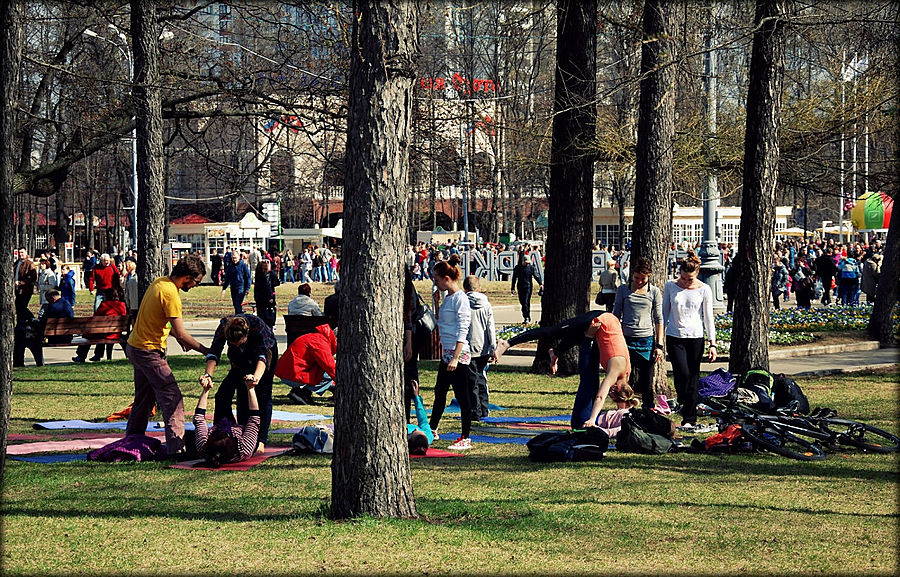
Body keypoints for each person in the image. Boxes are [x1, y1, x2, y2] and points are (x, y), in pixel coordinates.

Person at [125, 255, 210, 457]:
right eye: (196, 282)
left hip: (135, 347)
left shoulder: (160, 282)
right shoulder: (171, 294)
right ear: (187, 277)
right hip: (149, 352)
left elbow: (159, 320)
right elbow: (180, 332)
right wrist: (206, 350)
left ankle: (131, 441)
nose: (195, 286)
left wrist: (176, 337)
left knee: (144, 400)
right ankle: (177, 449)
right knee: (173, 399)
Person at [494, 311, 632, 430]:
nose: (610, 391)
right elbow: (600, 397)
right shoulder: (614, 371)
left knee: (578, 336)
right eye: (612, 392)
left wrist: (624, 412)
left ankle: (556, 353)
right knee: (552, 332)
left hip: (610, 322)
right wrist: (592, 419)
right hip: (600, 319)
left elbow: (624, 397)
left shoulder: (626, 373)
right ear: (617, 386)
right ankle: (507, 343)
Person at [202, 314, 277, 455]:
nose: (235, 345)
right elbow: (214, 353)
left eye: (239, 343)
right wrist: (208, 375)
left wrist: (255, 378)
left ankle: (260, 440)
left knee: (262, 395)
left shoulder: (258, 327)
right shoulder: (224, 326)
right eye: (232, 344)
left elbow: (262, 357)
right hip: (239, 358)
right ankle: (226, 433)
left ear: (246, 335)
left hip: (267, 352)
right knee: (223, 395)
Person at [662, 251, 717, 431]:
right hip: (674, 335)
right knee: (681, 374)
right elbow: (663, 313)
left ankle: (689, 417)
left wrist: (712, 343)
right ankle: (683, 399)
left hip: (695, 337)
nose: (686, 282)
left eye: (690, 279)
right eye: (684, 278)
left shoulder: (704, 289)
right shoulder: (670, 286)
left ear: (697, 274)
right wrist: (659, 340)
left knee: (693, 376)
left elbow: (708, 317)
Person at [428, 260, 474, 450]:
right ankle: (432, 428)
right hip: (447, 353)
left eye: (437, 279)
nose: (435, 283)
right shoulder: (448, 297)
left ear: (447, 279)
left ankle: (465, 436)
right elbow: (442, 322)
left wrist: (455, 357)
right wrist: (437, 303)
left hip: (459, 355)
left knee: (463, 396)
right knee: (440, 393)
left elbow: (463, 329)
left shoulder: (461, 299)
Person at [613, 257, 664, 409]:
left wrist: (659, 344)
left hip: (646, 340)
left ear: (649, 277)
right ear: (632, 275)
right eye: (636, 278)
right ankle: (622, 408)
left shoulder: (654, 292)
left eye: (643, 279)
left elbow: (658, 318)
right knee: (623, 378)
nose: (639, 281)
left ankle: (648, 409)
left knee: (647, 380)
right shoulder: (623, 289)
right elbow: (616, 313)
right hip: (625, 338)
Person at [193, 372, 261, 467]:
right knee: (245, 402)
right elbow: (254, 418)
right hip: (243, 432)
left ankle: (235, 372)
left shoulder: (203, 447)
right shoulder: (244, 449)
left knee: (221, 398)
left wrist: (206, 390)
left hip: (225, 426)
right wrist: (250, 388)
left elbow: (199, 418)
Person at [275, 323, 337, 405]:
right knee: (330, 373)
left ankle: (301, 392)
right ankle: (303, 393)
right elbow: (330, 367)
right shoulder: (320, 342)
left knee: (327, 370)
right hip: (292, 374)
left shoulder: (317, 337)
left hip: (288, 371)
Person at [463, 275, 496, 421]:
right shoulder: (486, 304)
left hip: (469, 346)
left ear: (465, 288)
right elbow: (491, 326)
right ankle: (484, 408)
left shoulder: (463, 302)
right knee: (482, 378)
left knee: (472, 381)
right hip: (483, 346)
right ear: (479, 288)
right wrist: (493, 346)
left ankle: (474, 411)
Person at [72, 287, 127, 363]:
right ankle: (97, 355)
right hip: (116, 333)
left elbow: (96, 318)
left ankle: (81, 355)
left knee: (88, 335)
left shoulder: (104, 305)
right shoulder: (122, 305)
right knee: (99, 332)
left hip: (104, 333)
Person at [510, 252, 543, 323]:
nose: (527, 264)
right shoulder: (517, 268)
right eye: (526, 262)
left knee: (526, 302)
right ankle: (526, 316)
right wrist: (512, 288)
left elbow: (536, 276)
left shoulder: (531, 268)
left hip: (528, 287)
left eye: (528, 262)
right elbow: (514, 278)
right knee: (522, 303)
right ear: (523, 261)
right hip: (520, 287)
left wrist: (540, 283)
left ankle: (527, 317)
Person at [407, 380, 434, 455]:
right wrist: (416, 397)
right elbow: (423, 419)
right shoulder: (428, 436)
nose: (416, 428)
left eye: (414, 432)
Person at [222, 250, 251, 314]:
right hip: (233, 287)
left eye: (235, 258)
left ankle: (240, 315)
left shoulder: (243, 265)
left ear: (239, 257)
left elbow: (248, 277)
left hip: (241, 287)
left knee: (238, 303)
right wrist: (224, 288)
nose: (234, 259)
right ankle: (239, 316)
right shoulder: (230, 266)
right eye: (233, 258)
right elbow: (227, 278)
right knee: (235, 304)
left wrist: (247, 288)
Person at [253, 259, 280, 327]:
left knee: (261, 315)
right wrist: (270, 296)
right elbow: (270, 285)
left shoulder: (258, 275)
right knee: (269, 316)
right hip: (267, 298)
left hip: (259, 298)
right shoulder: (267, 275)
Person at [14, 248, 36, 324]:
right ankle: (21, 324)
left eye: (22, 252)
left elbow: (33, 278)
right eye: (19, 253)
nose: (21, 254)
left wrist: (20, 283)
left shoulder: (30, 264)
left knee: (22, 307)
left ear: (26, 253)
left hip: (25, 290)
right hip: (17, 290)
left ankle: (33, 319)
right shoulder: (16, 263)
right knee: (18, 309)